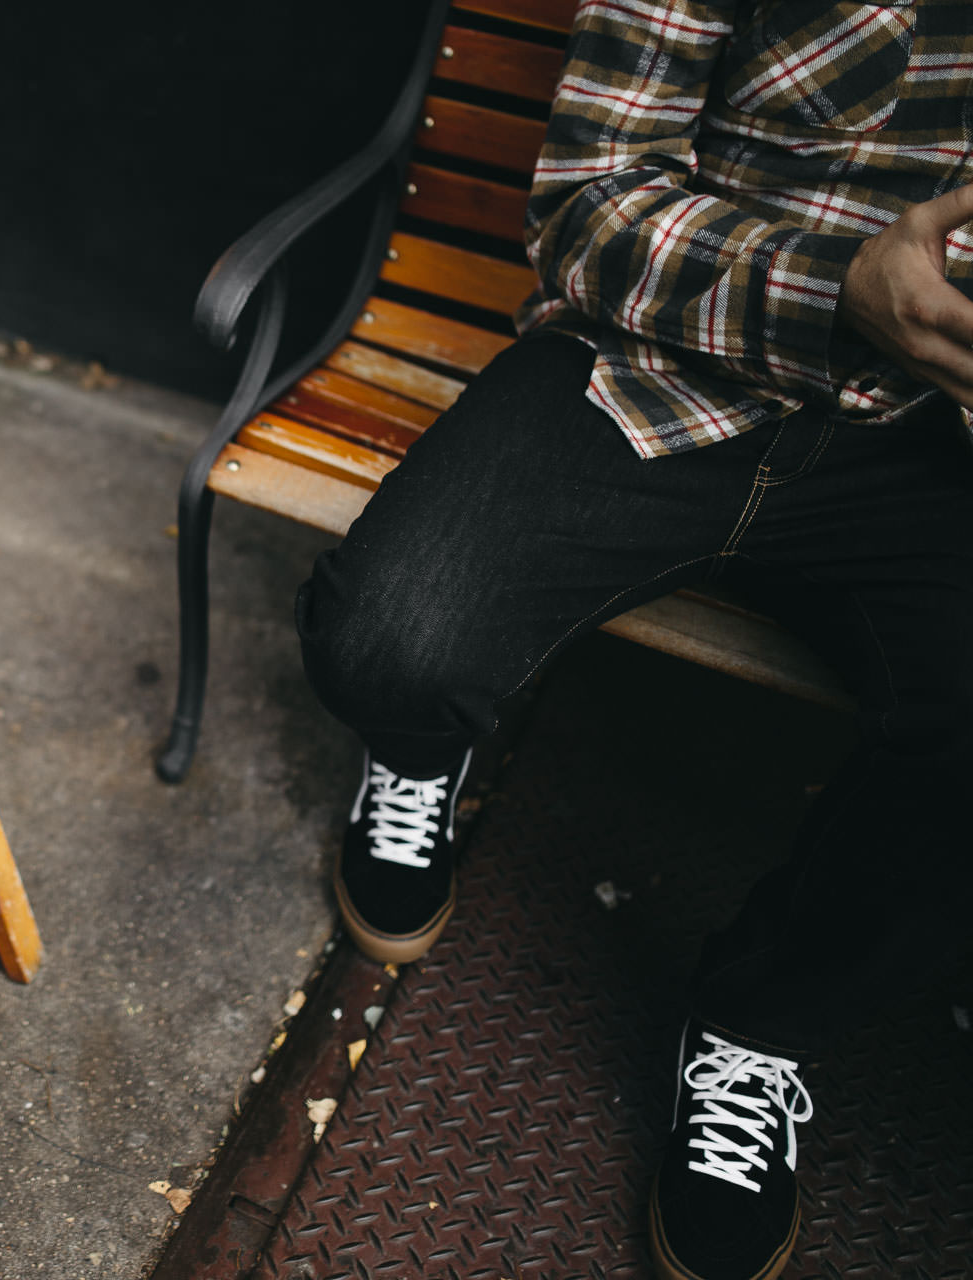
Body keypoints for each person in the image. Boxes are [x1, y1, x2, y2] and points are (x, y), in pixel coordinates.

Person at [292, 2, 973, 1278]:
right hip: (662, 365)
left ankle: (759, 1024)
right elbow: (587, 203)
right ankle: (423, 745)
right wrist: (837, 288)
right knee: (386, 642)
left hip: (930, 444)